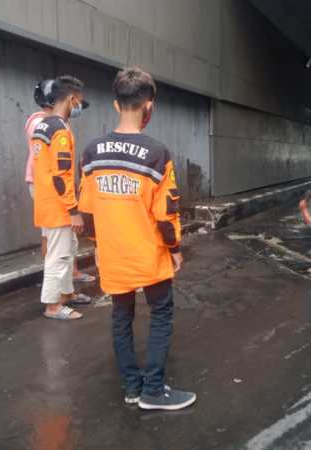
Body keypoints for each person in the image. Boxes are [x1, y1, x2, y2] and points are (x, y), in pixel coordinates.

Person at [78, 67, 196, 410]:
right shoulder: (157, 153)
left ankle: (132, 387)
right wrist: (174, 249)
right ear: (150, 106)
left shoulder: (91, 152)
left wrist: (97, 248)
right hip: (150, 254)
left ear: (117, 105)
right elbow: (167, 212)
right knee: (161, 313)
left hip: (113, 254)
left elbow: (88, 212)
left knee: (121, 316)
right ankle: (153, 391)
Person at [31, 75, 91, 320]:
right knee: (59, 255)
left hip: (47, 201)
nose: (79, 107)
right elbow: (61, 175)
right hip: (58, 206)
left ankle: (67, 294)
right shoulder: (60, 131)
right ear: (71, 99)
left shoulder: (43, 125)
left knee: (68, 249)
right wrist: (73, 209)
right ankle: (53, 306)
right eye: (79, 102)